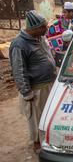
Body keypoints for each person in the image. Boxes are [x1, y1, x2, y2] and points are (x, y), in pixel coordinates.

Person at [9, 10, 56, 153]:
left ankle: (47, 139)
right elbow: (18, 70)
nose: (46, 29)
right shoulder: (19, 45)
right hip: (36, 89)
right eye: (43, 27)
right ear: (35, 28)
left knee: (47, 115)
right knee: (35, 118)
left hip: (49, 84)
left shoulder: (40, 38)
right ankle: (38, 144)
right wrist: (26, 92)